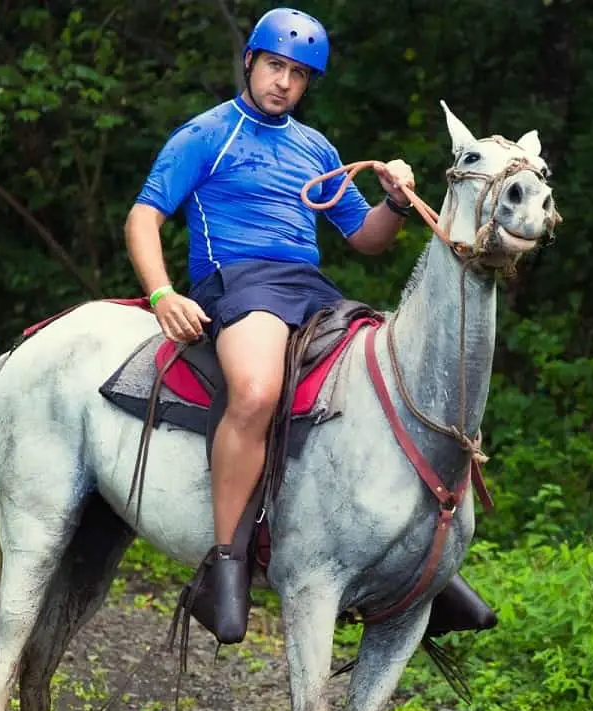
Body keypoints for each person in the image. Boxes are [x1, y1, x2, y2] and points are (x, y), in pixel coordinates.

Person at [125, 7, 494, 645]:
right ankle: (223, 561)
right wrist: (160, 294)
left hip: (310, 287)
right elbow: (142, 217)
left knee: (382, 384)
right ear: (250, 61)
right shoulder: (206, 134)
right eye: (275, 66)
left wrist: (395, 203)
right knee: (259, 392)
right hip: (237, 279)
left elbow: (365, 238)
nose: (284, 83)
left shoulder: (314, 147)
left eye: (298, 75)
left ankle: (418, 563)